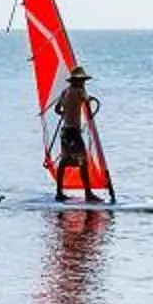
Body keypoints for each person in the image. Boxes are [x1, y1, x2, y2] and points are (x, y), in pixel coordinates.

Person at [49, 64, 102, 202]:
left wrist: (67, 113)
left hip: (65, 131)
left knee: (64, 160)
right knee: (83, 161)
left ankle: (59, 193)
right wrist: (88, 99)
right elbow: (87, 102)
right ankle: (88, 194)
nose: (83, 82)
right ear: (76, 81)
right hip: (73, 131)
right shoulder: (79, 90)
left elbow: (57, 109)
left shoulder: (65, 92)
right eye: (82, 80)